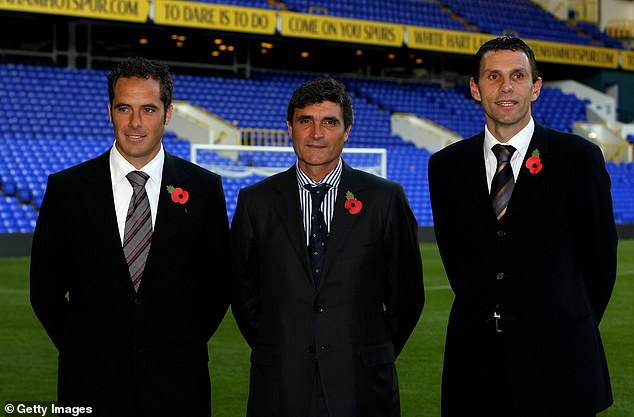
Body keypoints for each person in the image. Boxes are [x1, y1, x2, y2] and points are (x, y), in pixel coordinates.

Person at [428, 36, 618, 417]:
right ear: (475, 88)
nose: (505, 87)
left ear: (535, 87)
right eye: (493, 76)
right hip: (475, 367)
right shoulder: (445, 166)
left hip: (561, 364)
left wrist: (561, 323)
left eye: (517, 76)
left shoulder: (577, 158)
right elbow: (457, 263)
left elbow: (600, 262)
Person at [30, 57, 230, 417]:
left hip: (178, 387)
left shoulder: (204, 189)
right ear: (110, 112)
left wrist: (177, 347)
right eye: (125, 108)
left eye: (149, 109)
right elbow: (44, 291)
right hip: (90, 386)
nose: (136, 123)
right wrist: (83, 351)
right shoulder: (67, 190)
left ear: (168, 114)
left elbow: (217, 288)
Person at [231, 77, 424, 417]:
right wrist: (281, 345)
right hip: (280, 386)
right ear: (290, 127)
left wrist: (369, 351)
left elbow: (407, 296)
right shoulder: (255, 202)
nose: (317, 133)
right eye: (306, 121)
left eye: (330, 122)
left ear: (347, 130)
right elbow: (243, 293)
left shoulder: (385, 199)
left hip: (362, 386)